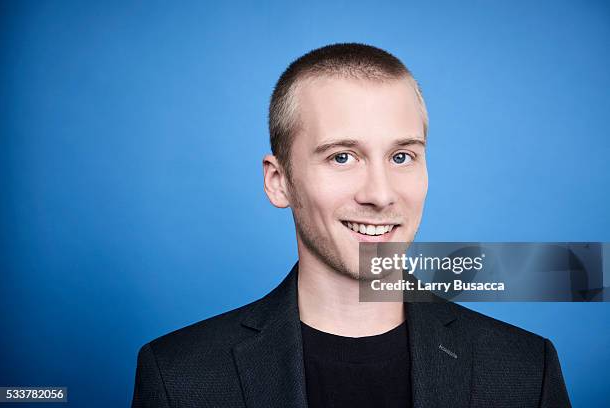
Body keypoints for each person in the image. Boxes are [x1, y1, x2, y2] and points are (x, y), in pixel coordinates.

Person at [132, 43, 571, 407]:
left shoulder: (527, 370)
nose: (380, 195)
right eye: (342, 157)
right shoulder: (179, 377)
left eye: (402, 157)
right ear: (278, 182)